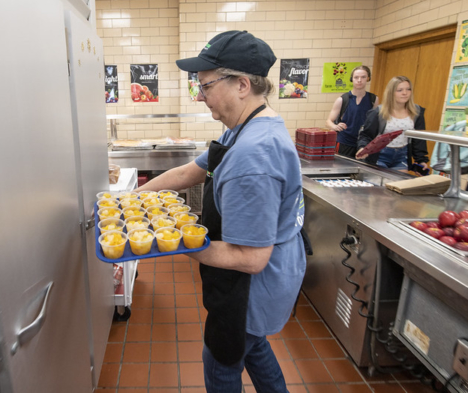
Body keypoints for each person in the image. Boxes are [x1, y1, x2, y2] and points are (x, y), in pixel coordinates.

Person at [134, 30, 306, 392]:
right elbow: (187, 173)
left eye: (206, 86)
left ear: (242, 84)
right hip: (252, 276)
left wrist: (179, 244)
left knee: (222, 362)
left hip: (251, 287)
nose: (200, 96)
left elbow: (252, 258)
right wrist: (132, 198)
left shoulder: (253, 155)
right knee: (254, 348)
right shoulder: (242, 129)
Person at [356, 75, 429, 174]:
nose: (405, 93)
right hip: (380, 154)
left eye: (408, 89)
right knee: (380, 185)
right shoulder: (378, 112)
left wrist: (421, 160)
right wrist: (362, 148)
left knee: (398, 185)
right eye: (399, 90)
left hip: (402, 155)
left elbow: (419, 138)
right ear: (391, 92)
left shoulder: (417, 112)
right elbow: (365, 134)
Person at [325, 65, 379, 158]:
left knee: (361, 170)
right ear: (352, 79)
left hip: (363, 144)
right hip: (344, 142)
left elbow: (375, 122)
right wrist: (335, 126)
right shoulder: (343, 99)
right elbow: (328, 121)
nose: (359, 80)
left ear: (368, 78)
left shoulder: (373, 99)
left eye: (363, 77)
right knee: (341, 170)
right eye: (356, 77)